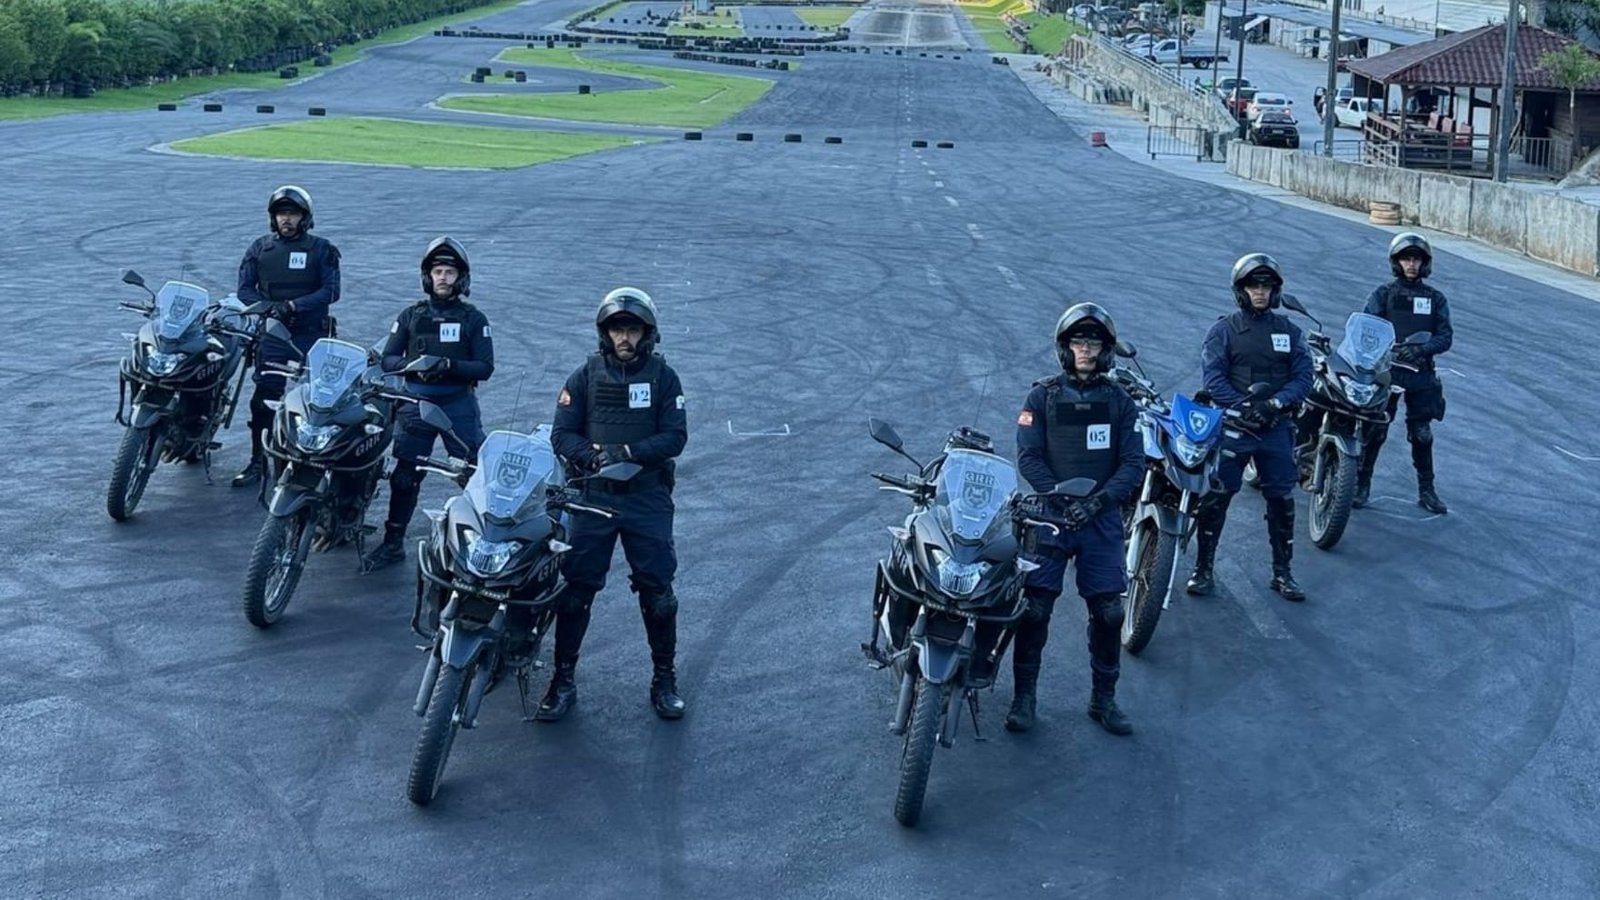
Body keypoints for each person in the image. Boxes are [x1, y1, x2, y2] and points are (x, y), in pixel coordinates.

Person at [536, 288, 689, 723]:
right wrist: (593, 457)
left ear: (648, 334)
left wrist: (628, 452)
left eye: (633, 329)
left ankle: (664, 679)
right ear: (605, 333)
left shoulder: (664, 378)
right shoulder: (584, 375)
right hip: (592, 497)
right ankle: (562, 680)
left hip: (646, 497)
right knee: (574, 593)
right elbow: (561, 433)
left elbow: (676, 436)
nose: (625, 338)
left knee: (658, 595)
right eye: (618, 329)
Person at [1010, 303, 1144, 736]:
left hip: (1100, 519)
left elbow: (1133, 464)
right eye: (1078, 342)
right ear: (1065, 347)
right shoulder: (1041, 397)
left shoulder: (1121, 402)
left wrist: (1098, 502)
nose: (1085, 350)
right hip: (1050, 516)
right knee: (1032, 611)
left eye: (1094, 343)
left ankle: (1103, 700)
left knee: (1108, 613)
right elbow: (1028, 457)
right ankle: (1023, 698)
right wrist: (1058, 497)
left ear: (1106, 351)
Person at [1186, 253, 1314, 602]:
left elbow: (1304, 376)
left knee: (1282, 500)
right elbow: (1212, 376)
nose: (1260, 291)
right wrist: (1241, 407)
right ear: (1240, 289)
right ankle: (1203, 569)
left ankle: (1282, 573)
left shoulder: (1290, 331)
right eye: (1253, 285)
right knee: (1216, 498)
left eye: (1266, 286)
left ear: (1275, 291)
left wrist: (1274, 404)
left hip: (1276, 425)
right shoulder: (1223, 330)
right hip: (1234, 427)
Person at [361, 237, 494, 572]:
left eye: (450, 271)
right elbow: (389, 359)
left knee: (473, 476)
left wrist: (449, 366)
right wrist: (414, 364)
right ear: (427, 277)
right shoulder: (411, 316)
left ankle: (485, 549)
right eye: (437, 271)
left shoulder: (474, 319)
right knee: (405, 476)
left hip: (457, 405)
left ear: (461, 278)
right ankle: (393, 545)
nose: (443, 278)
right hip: (416, 404)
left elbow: (485, 367)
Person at [233, 185, 341, 487]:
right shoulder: (260, 249)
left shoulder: (322, 249)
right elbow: (244, 290)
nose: (287, 219)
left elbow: (331, 291)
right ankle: (258, 461)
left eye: (292, 213)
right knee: (262, 400)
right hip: (274, 335)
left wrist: (293, 305)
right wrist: (270, 309)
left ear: (305, 217)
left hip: (313, 336)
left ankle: (317, 464)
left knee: (320, 403)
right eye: (281, 213)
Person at [1354, 232, 1453, 514]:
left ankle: (1427, 491)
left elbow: (1445, 336)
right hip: (1387, 373)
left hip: (1421, 373)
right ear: (1396, 262)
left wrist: (1422, 350)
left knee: (1422, 434)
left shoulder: (1436, 299)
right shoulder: (1383, 294)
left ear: (1425, 263)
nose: (1411, 264)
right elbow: (1366, 329)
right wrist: (1385, 351)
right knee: (1375, 431)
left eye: (1416, 259)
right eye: (1406, 258)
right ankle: (1361, 485)